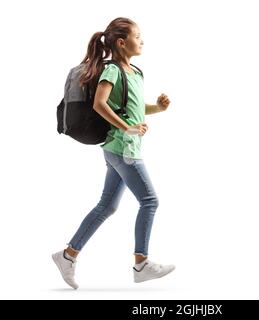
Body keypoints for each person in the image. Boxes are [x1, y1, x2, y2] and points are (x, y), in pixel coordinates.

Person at [52, 17, 175, 289]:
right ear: (122, 42)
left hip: (120, 148)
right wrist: (128, 128)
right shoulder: (112, 71)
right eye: (138, 35)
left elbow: (134, 107)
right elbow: (99, 104)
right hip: (122, 149)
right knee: (150, 201)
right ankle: (141, 263)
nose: (142, 40)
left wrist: (157, 107)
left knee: (107, 205)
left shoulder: (136, 72)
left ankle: (67, 256)